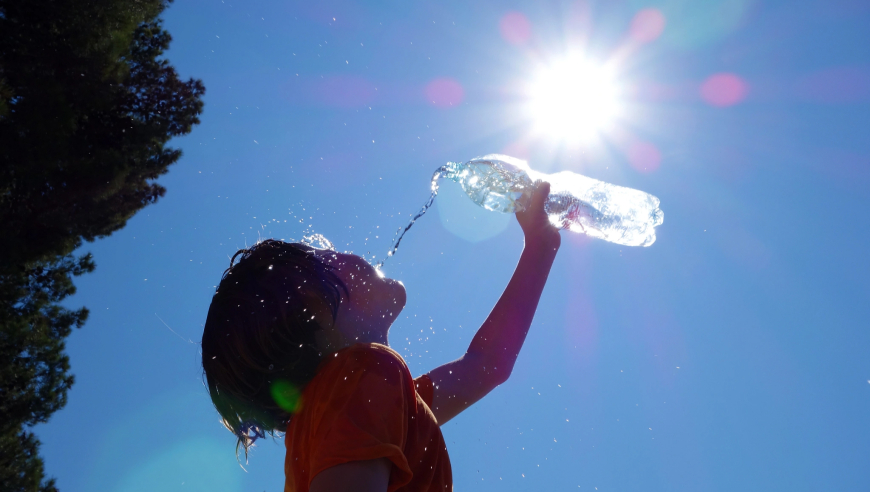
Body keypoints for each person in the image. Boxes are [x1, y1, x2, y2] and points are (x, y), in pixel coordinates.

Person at [201, 182, 561, 492]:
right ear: (314, 307)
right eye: (327, 255)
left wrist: (540, 248)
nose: (348, 253)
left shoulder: (361, 403)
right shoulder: (361, 376)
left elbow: (486, 365)